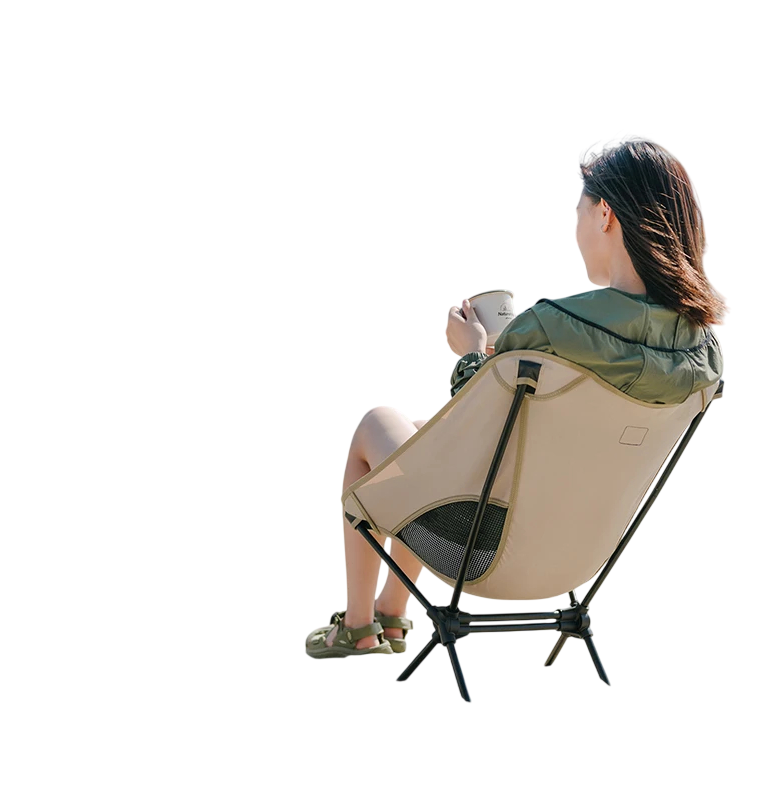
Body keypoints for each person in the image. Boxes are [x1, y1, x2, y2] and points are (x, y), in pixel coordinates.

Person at [306, 138, 726, 658]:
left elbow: (475, 433)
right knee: (414, 430)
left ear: (605, 215)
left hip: (481, 551)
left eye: (579, 211)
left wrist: (472, 352)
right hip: (574, 559)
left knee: (377, 423)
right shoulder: (702, 356)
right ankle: (391, 612)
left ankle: (358, 625)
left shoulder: (549, 326)